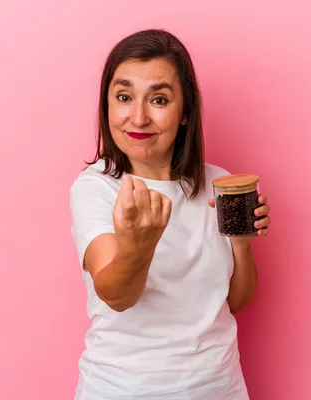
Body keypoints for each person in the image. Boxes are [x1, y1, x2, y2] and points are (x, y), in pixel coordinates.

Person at [69, 29, 271, 400]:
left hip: (220, 389)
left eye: (159, 99)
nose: (138, 117)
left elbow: (235, 303)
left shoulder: (220, 183)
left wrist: (241, 246)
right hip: (125, 390)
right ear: (107, 106)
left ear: (185, 114)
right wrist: (139, 248)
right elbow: (116, 296)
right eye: (124, 97)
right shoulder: (97, 187)